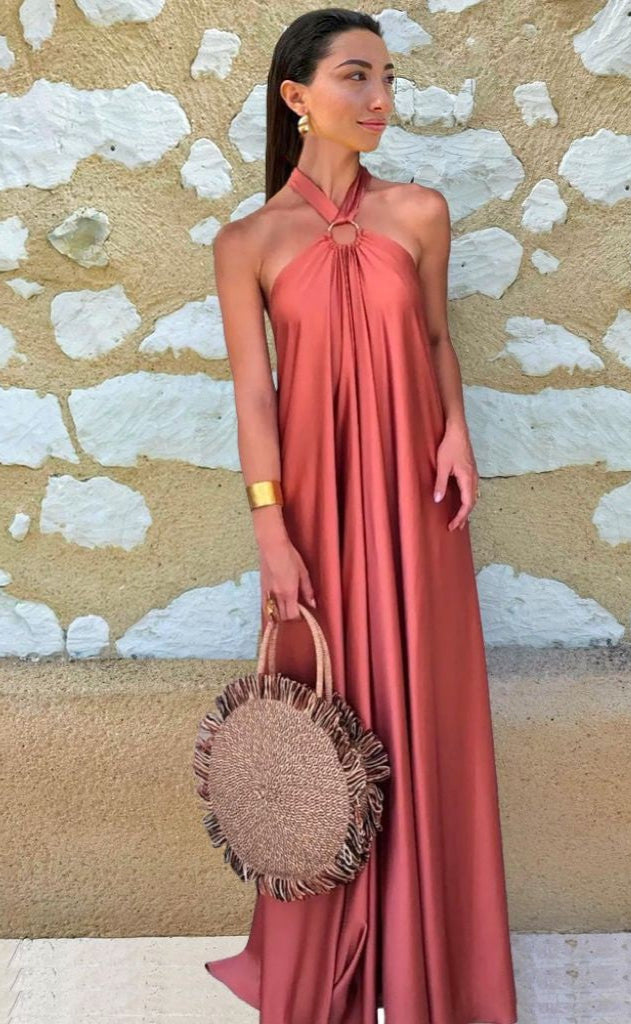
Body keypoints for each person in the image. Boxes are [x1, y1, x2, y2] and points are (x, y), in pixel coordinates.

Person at [204, 8, 518, 1023]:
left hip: (417, 503)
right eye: (357, 77)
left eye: (387, 79)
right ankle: (324, 967)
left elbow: (433, 340)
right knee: (324, 726)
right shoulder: (247, 242)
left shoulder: (419, 212)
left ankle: (429, 971)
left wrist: (456, 431)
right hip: (312, 514)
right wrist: (270, 531)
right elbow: (255, 398)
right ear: (297, 96)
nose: (380, 99)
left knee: (423, 708)